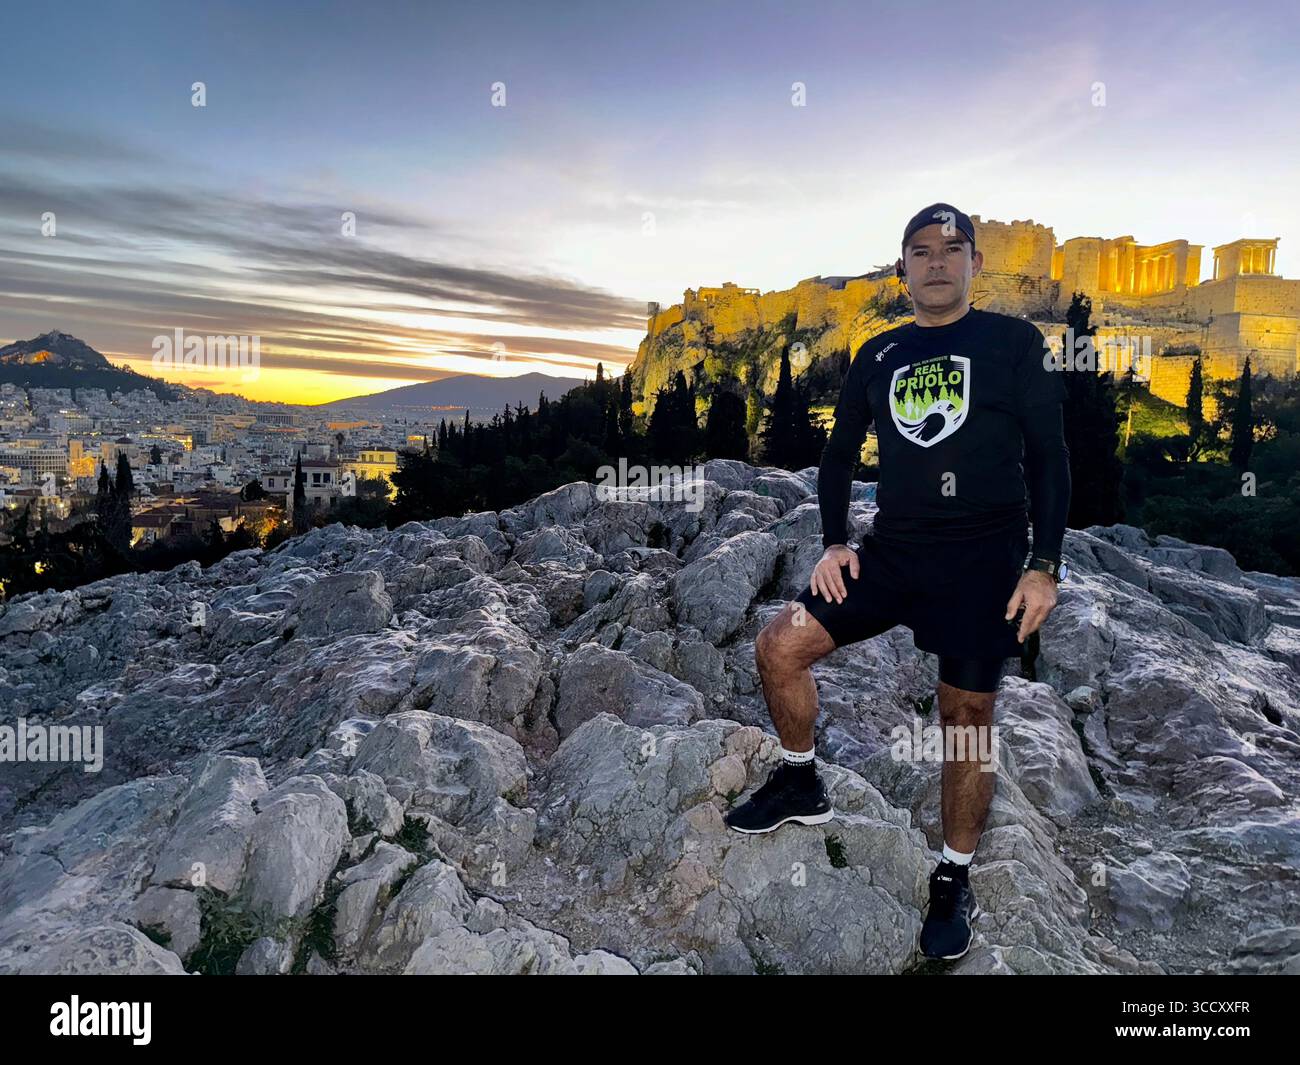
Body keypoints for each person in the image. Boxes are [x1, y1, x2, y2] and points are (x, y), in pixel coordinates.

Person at [724, 202, 1072, 961]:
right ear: (901, 269)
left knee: (965, 714)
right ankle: (801, 780)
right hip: (894, 551)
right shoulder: (878, 354)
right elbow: (840, 455)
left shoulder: (1015, 343)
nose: (937, 262)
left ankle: (953, 874)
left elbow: (1050, 455)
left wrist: (1044, 565)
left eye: (952, 249)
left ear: (976, 263)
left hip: (983, 559)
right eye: (921, 251)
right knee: (779, 647)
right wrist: (834, 542)